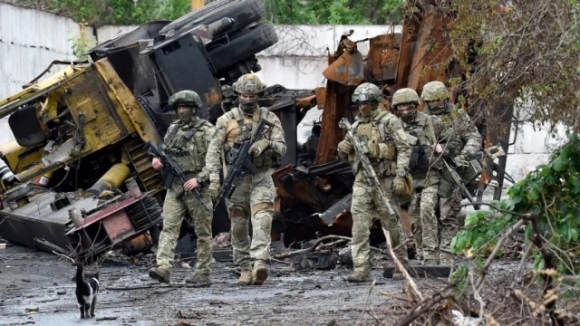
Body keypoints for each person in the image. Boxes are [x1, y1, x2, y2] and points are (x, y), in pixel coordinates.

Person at [205, 74, 286, 285]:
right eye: (244, 95)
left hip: (261, 177)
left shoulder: (270, 118)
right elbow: (213, 153)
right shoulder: (225, 120)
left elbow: (282, 147)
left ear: (258, 95)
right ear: (238, 95)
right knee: (238, 226)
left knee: (263, 219)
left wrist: (266, 144)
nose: (248, 100)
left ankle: (260, 262)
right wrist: (214, 180)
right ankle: (244, 267)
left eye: (252, 96)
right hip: (236, 181)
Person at [337, 82, 412, 282]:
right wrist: (343, 148)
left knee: (392, 224)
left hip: (385, 180)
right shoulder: (354, 126)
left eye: (366, 103)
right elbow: (347, 154)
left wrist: (400, 175)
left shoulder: (389, 121)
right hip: (362, 181)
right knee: (359, 226)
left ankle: (401, 263)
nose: (362, 107)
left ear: (375, 102)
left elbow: (404, 148)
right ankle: (361, 269)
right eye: (359, 103)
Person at [148, 90, 215, 287]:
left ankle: (203, 272)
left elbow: (216, 162)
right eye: (178, 108)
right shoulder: (174, 128)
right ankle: (163, 268)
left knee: (203, 231)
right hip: (175, 186)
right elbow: (164, 150)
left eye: (184, 107)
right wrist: (157, 159)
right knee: (169, 226)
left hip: (197, 187)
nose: (180, 111)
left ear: (194, 109)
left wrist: (199, 179)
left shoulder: (207, 131)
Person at [392, 88, 461, 265]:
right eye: (401, 109)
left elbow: (454, 141)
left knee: (426, 209)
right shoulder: (394, 126)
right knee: (414, 216)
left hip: (431, 176)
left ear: (416, 106)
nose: (406, 112)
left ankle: (431, 254)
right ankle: (421, 251)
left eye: (409, 108)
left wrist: (442, 149)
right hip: (410, 179)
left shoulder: (431, 122)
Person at [420, 81, 482, 264]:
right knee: (427, 211)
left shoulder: (456, 115)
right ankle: (429, 255)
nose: (433, 104)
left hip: (452, 169)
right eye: (430, 101)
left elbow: (473, 137)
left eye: (437, 100)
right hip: (429, 172)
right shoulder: (422, 118)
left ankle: (447, 255)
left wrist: (464, 156)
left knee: (448, 214)